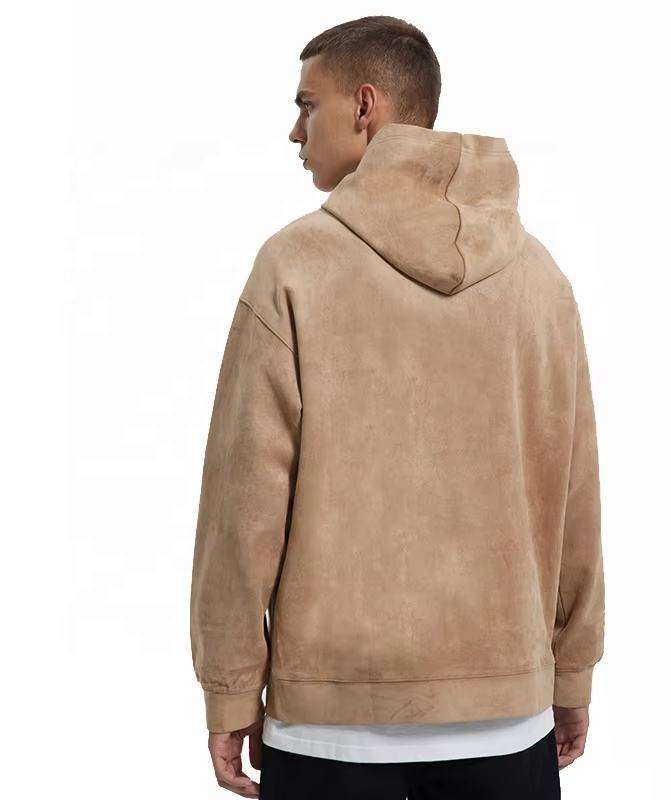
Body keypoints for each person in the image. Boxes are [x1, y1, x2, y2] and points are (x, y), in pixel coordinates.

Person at [189, 15, 605, 799]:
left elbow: (242, 508)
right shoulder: (538, 278)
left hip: (330, 728)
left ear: (364, 106)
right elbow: (574, 497)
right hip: (508, 718)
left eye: (307, 105)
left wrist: (230, 688)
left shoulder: (295, 267)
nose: (295, 131)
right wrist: (572, 669)